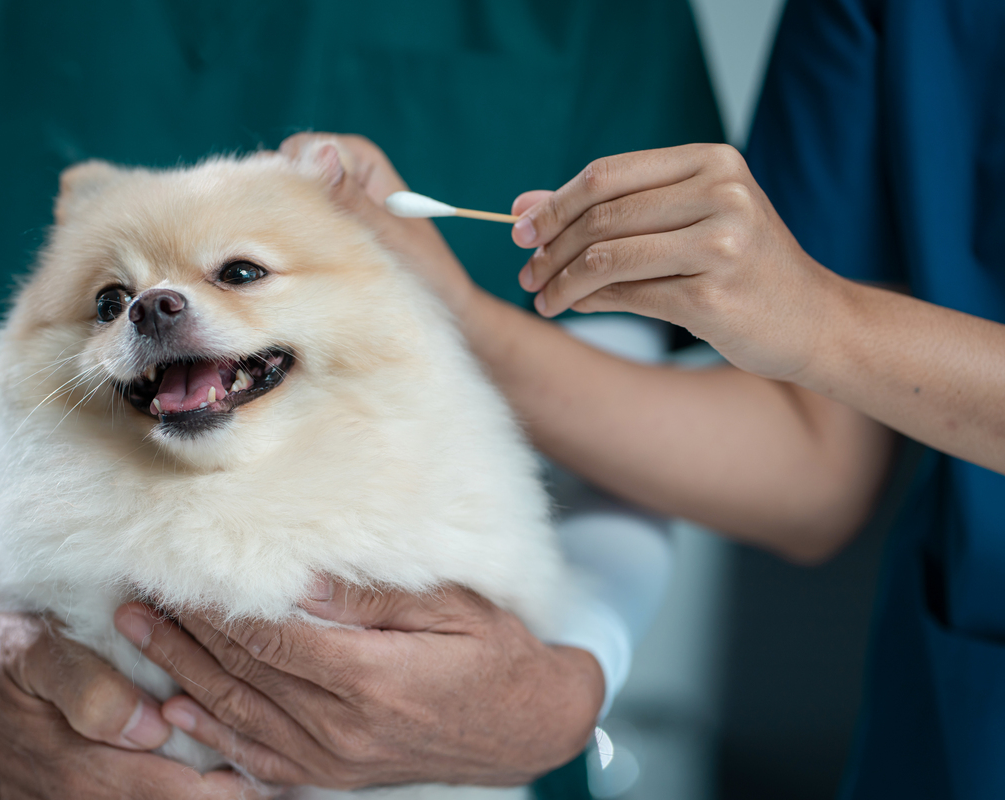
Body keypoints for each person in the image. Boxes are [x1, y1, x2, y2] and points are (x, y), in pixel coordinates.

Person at [0, 1, 724, 797]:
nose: (157, 307)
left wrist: (574, 675)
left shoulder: (611, 22)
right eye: (112, 301)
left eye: (239, 272)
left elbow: (628, 441)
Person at [144, 0, 1005, 796]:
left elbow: (809, 455)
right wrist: (456, 314)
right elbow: (813, 457)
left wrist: (824, 321)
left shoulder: (606, 34)